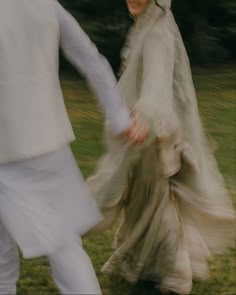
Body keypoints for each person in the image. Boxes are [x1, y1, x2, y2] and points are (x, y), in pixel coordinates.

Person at [0, 0, 149, 294]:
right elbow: (90, 58)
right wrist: (119, 117)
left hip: (12, 146)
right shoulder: (45, 5)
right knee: (65, 245)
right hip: (46, 140)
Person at [87, 0, 235, 294]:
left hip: (155, 133)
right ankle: (151, 268)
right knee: (146, 203)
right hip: (148, 131)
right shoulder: (146, 28)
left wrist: (145, 117)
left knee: (156, 204)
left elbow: (156, 83)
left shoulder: (157, 33)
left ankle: (173, 275)